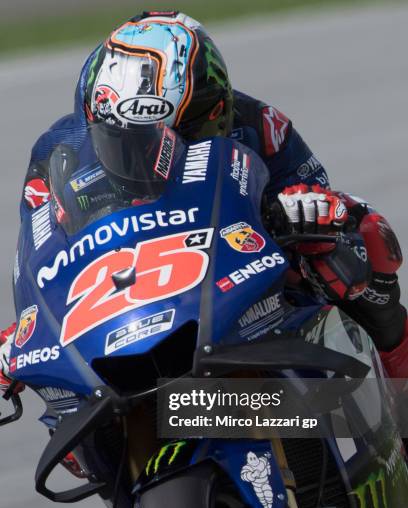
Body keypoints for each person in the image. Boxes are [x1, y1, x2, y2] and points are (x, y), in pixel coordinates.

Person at [1, 10, 407, 393]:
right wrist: (25, 333)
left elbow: (324, 202)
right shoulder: (57, 157)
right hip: (125, 303)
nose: (188, 142)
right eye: (149, 139)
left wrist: (313, 214)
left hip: (241, 277)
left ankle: (400, 400)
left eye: (201, 123)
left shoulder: (259, 124)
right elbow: (44, 260)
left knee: (366, 244)